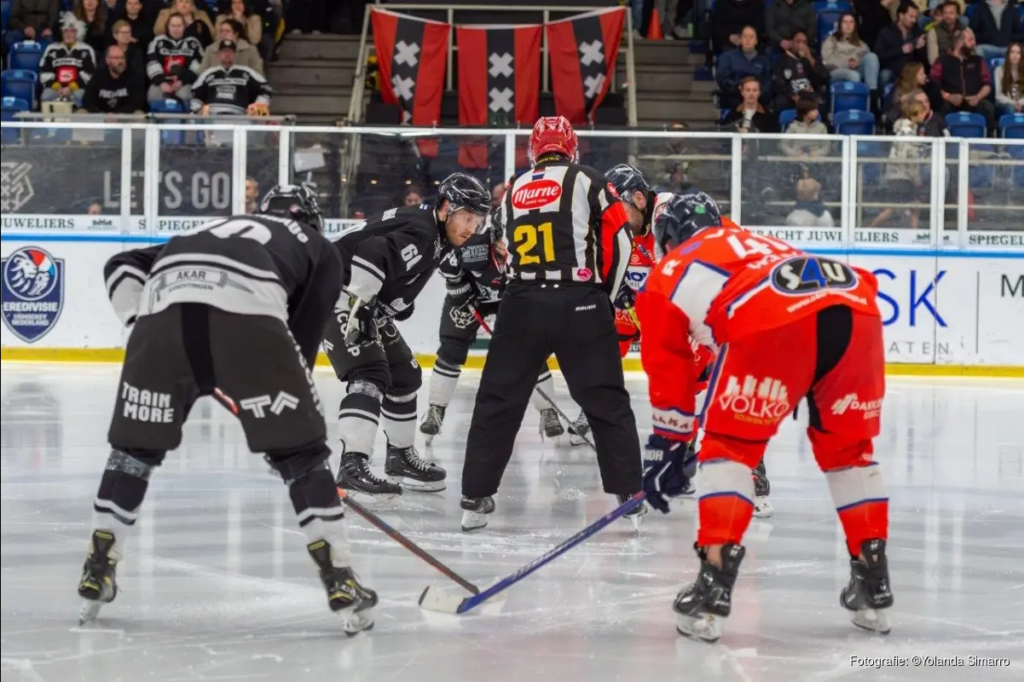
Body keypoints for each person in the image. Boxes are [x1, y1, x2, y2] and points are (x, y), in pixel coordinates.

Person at [77, 185, 378, 635]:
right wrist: (287, 431)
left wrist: (138, 323)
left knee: (132, 454)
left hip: (159, 326)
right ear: (313, 220)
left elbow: (120, 264)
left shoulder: (214, 229)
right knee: (303, 456)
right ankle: (340, 576)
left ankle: (97, 565)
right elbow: (300, 347)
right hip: (249, 323)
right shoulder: (320, 248)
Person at [635, 193, 891, 642]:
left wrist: (669, 443)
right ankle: (873, 582)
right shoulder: (755, 241)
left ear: (668, 239)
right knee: (849, 452)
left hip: (772, 312)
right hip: (855, 301)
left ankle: (712, 587)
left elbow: (669, 368)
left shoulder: (668, 271)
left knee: (728, 450)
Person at [458, 116, 644, 533]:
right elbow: (621, 240)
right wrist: (605, 297)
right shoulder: (590, 181)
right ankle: (629, 494)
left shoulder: (513, 191)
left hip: (521, 303)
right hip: (580, 301)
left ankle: (475, 496)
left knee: (497, 402)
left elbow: (498, 252)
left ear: (533, 151)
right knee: (606, 402)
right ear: (571, 147)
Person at [325, 173, 490, 498]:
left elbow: (392, 259)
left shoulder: (434, 233)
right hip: (335, 291)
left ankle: (399, 458)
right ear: (446, 208)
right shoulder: (424, 231)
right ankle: (352, 465)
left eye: (478, 220)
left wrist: (394, 301)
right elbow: (372, 252)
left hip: (358, 295)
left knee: (405, 375)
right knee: (369, 372)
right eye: (467, 217)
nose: (472, 227)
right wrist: (361, 305)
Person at [420, 215, 566, 444]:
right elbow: (445, 259)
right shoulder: (473, 242)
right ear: (494, 235)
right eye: (502, 240)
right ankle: (436, 409)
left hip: (511, 299)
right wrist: (457, 285)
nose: (507, 248)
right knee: (452, 349)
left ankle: (548, 411)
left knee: (531, 350)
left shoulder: (534, 251)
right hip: (471, 298)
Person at [930, 28, 997, 129]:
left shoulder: (978, 60)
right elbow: (933, 84)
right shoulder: (942, 60)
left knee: (988, 108)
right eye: (970, 40)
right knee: (940, 106)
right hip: (950, 101)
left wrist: (978, 97)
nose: (974, 43)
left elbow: (987, 84)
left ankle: (989, 141)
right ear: (959, 42)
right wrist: (948, 97)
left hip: (974, 101)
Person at [191, 39, 272, 115]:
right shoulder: (208, 73)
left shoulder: (246, 72)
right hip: (212, 119)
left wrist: (257, 106)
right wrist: (198, 110)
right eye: (224, 52)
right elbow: (195, 94)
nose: (227, 55)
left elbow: (266, 89)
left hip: (240, 120)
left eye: (230, 52)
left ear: (235, 55)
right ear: (218, 55)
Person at [823, 12, 882, 109]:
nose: (848, 25)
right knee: (854, 75)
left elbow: (867, 60)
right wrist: (847, 63)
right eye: (845, 22)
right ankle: (855, 106)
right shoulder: (831, 40)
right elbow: (827, 61)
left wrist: (858, 62)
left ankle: (872, 98)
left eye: (851, 22)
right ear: (840, 24)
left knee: (872, 56)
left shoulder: (860, 44)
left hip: (856, 68)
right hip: (836, 71)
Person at [146, 12, 204, 106]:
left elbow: (199, 65)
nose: (176, 29)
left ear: (184, 26)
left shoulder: (193, 42)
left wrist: (182, 82)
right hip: (162, 81)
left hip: (185, 83)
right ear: (167, 26)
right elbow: (152, 62)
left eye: (179, 26)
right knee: (152, 96)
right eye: (173, 26)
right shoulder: (158, 41)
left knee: (185, 97)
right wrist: (161, 82)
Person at [40, 14, 96, 109]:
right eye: (65, 31)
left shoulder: (87, 49)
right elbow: (44, 72)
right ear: (61, 32)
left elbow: (90, 74)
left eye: (72, 31)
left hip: (77, 88)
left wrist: (71, 87)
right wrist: (57, 86)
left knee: (81, 96)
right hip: (56, 87)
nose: (68, 34)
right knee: (46, 96)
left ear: (78, 32)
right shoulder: (51, 49)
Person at [771, 30, 829, 114]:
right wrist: (792, 95)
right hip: (790, 95)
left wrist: (810, 58)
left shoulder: (812, 58)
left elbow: (823, 78)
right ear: (791, 43)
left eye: (804, 42)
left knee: (822, 103)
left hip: (809, 94)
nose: (801, 45)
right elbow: (778, 81)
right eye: (798, 42)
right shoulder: (780, 59)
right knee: (781, 102)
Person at [716, 25, 773, 110]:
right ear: (740, 39)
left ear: (756, 40)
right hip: (735, 97)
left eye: (751, 37)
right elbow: (723, 80)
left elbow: (768, 82)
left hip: (759, 99)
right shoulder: (727, 57)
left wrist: (754, 93)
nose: (748, 40)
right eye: (745, 36)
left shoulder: (765, 60)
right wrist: (740, 89)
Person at [82, 44, 147, 113]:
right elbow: (87, 100)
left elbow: (138, 102)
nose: (121, 61)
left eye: (122, 57)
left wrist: (117, 115)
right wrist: (101, 114)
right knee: (81, 112)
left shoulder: (134, 75)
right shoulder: (98, 75)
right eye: (116, 58)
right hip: (101, 116)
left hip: (125, 117)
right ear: (107, 60)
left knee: (139, 114)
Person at [875, 3, 926, 85]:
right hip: (891, 70)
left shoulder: (917, 32)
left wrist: (919, 48)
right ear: (901, 15)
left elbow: (922, 60)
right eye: (911, 16)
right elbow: (879, 55)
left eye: (916, 17)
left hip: (910, 72)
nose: (914, 20)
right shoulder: (886, 31)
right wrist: (901, 50)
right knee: (885, 75)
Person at [927, 1, 963, 65]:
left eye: (951, 13)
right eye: (945, 13)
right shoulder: (933, 31)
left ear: (957, 15)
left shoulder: (965, 30)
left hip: (962, 67)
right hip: (942, 68)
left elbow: (972, 54)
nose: (948, 16)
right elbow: (933, 60)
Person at [995, 42, 1023, 117]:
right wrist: (1013, 103)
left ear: (1021, 56)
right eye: (1012, 52)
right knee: (1010, 108)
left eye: (1018, 53)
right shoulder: (999, 70)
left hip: (1021, 103)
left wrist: (1020, 103)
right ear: (1008, 55)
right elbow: (998, 96)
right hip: (1004, 104)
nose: (1015, 55)